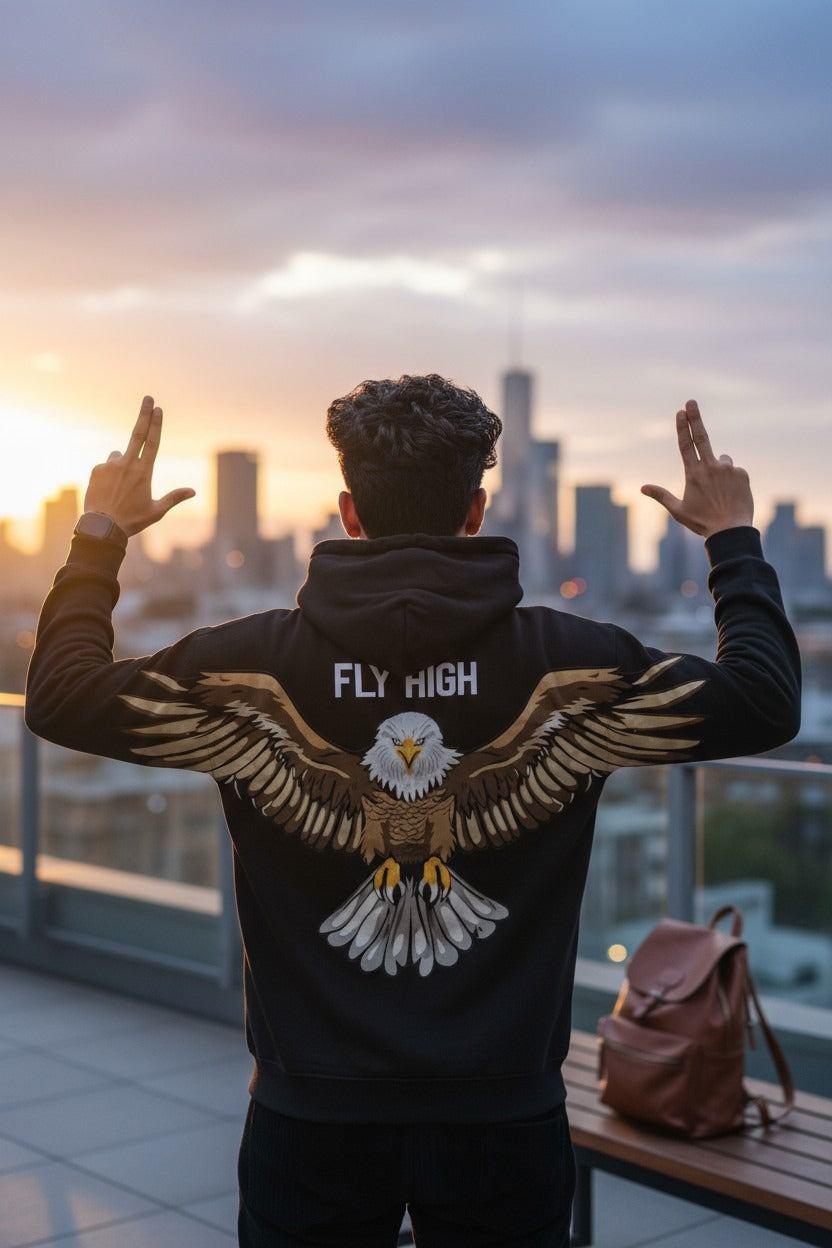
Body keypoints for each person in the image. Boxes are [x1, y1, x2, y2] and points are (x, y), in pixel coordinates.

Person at [25, 378, 801, 1248]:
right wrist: (733, 539)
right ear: (477, 509)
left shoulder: (249, 670)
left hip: (309, 1111)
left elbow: (58, 696)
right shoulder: (571, 668)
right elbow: (764, 701)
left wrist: (99, 538)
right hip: (504, 1113)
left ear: (348, 512)